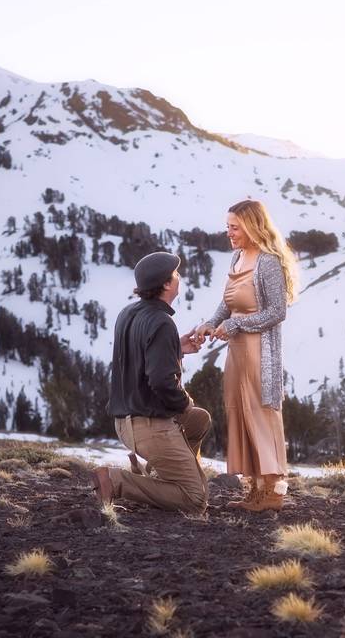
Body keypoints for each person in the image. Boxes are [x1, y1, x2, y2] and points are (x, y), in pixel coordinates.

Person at [194, 200, 298, 512]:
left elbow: (277, 312)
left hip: (259, 351)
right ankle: (254, 489)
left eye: (235, 227)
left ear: (252, 226)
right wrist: (210, 323)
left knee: (262, 414)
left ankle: (274, 491)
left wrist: (237, 323)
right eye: (228, 227)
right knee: (240, 413)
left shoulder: (268, 262)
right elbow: (228, 303)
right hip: (236, 352)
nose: (229, 233)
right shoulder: (238, 257)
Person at [91, 251, 212, 513]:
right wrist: (184, 401)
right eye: (176, 274)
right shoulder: (162, 322)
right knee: (195, 499)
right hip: (148, 426)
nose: (179, 277)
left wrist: (175, 348)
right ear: (167, 285)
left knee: (199, 419)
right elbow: (161, 382)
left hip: (124, 423)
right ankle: (116, 481)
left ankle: (161, 476)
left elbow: (139, 355)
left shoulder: (128, 312)